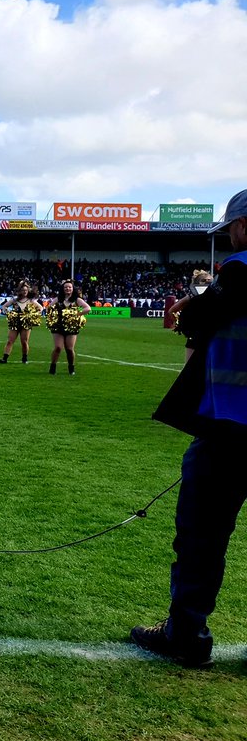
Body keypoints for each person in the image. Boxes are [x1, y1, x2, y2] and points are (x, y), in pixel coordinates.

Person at [133, 189, 247, 668]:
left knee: (201, 535)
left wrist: (194, 300)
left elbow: (196, 319)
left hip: (231, 425)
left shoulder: (240, 269)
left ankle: (187, 633)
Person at [45, 280, 92, 375]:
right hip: (58, 326)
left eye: (69, 287)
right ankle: (53, 366)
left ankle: (71, 367)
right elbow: (48, 308)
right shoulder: (58, 299)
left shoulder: (77, 300)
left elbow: (88, 308)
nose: (68, 289)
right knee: (58, 347)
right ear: (63, 289)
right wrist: (53, 314)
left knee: (69, 349)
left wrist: (78, 314)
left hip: (71, 327)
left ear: (72, 289)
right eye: (66, 287)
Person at [169, 270, 214, 363]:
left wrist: (178, 324)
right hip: (207, 337)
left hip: (199, 337)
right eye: (207, 281)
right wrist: (179, 324)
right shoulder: (192, 296)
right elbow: (172, 311)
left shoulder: (191, 296)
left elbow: (172, 311)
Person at [0, 279, 41, 365]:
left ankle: (24, 358)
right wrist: (7, 312)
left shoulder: (31, 300)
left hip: (26, 323)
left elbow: (41, 308)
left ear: (28, 290)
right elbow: (4, 306)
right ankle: (5, 358)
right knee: (10, 340)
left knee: (24, 342)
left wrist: (33, 315)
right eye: (22, 290)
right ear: (19, 291)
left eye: (26, 290)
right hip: (15, 323)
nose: (24, 291)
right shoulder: (15, 300)